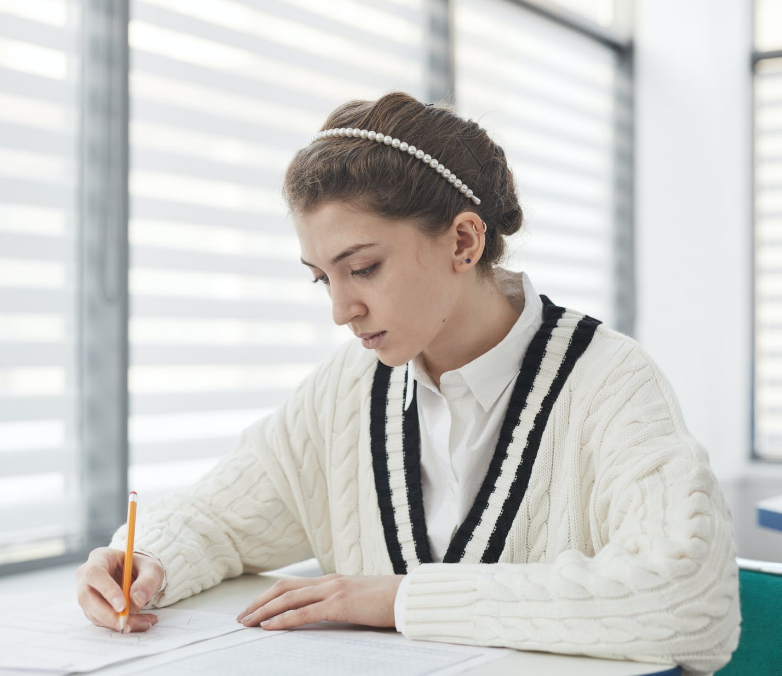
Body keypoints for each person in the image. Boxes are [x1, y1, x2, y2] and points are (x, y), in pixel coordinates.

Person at [75, 92, 740, 673]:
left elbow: (686, 599)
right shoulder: (348, 389)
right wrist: (144, 561)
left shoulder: (608, 382)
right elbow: (214, 518)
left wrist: (401, 599)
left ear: (463, 242)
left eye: (362, 268)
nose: (341, 310)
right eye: (321, 277)